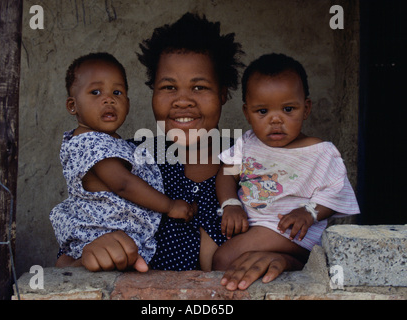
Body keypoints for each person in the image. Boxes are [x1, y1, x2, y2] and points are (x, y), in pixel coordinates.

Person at [55, 14, 316, 291]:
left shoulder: (262, 164)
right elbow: (64, 260)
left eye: (199, 87)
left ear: (223, 94)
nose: (182, 101)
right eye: (168, 87)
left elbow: (305, 243)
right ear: (152, 93)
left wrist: (286, 262)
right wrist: (88, 255)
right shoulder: (124, 161)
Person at [212, 53, 360, 270]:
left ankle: (297, 263)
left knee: (223, 259)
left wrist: (309, 211)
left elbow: (336, 191)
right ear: (247, 113)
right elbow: (227, 173)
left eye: (288, 109)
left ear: (306, 108)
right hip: (252, 229)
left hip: (292, 232)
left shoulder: (319, 151)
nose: (275, 120)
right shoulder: (247, 143)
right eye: (262, 111)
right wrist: (230, 204)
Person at [49, 52, 195, 268]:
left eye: (117, 92)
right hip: (105, 234)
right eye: (95, 92)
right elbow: (124, 184)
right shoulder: (92, 144)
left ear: (127, 102)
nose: (109, 99)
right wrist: (170, 206)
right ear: (73, 106)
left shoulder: (113, 142)